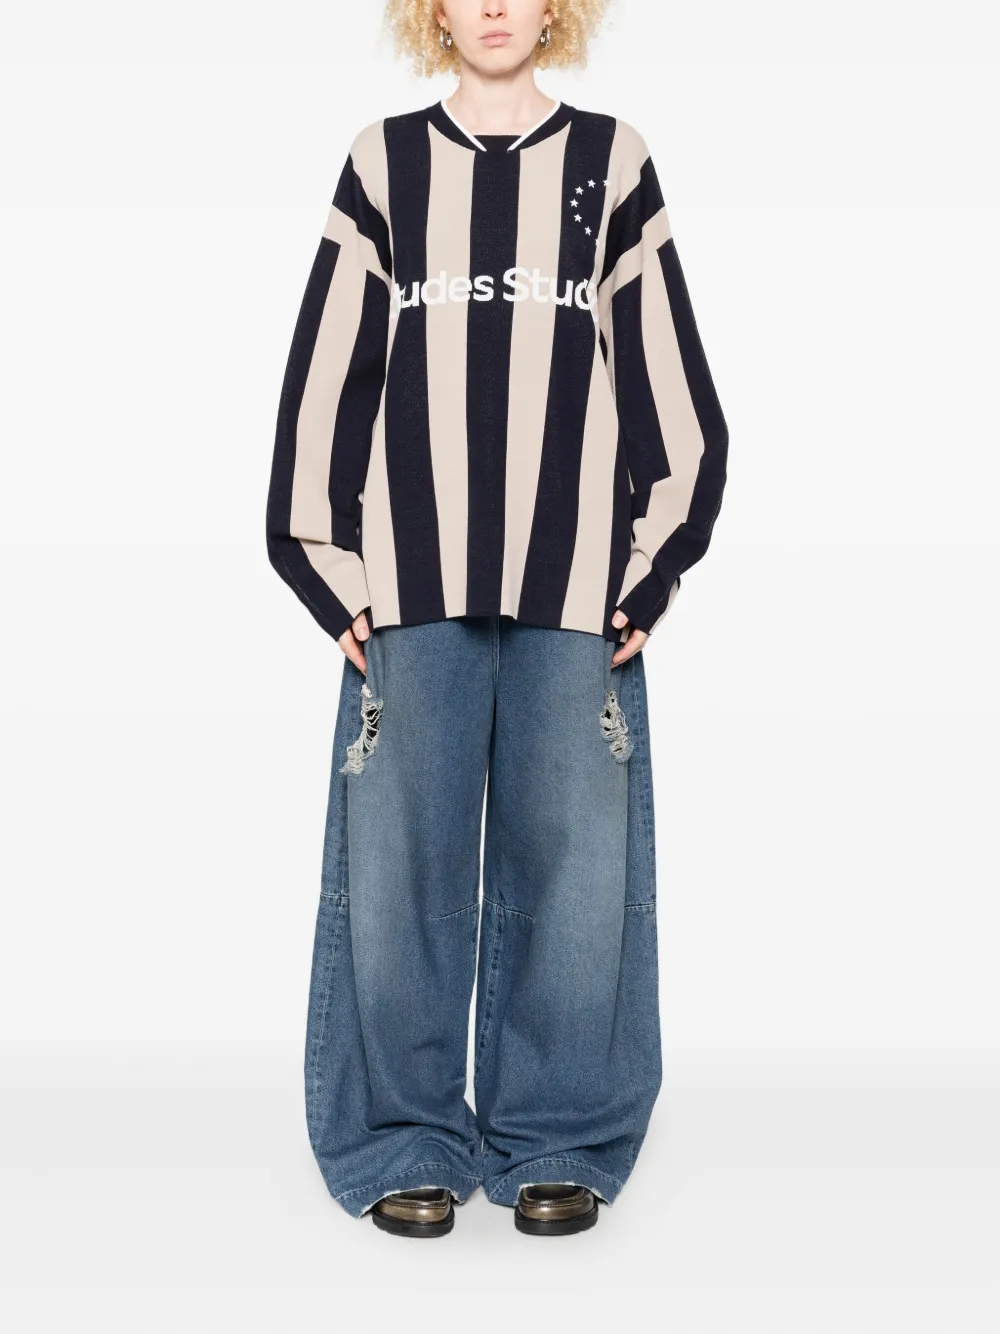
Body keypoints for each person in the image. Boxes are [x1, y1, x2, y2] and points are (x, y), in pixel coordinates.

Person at [265, 0, 728, 1239]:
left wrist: (651, 566)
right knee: (399, 865)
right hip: (408, 583)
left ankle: (556, 1129)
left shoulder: (610, 164)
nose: (491, 6)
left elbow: (669, 381)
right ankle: (402, 1131)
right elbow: (328, 374)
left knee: (573, 870)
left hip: (576, 586)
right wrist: (327, 567)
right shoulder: (384, 165)